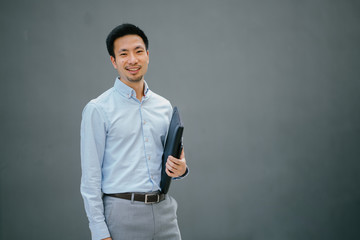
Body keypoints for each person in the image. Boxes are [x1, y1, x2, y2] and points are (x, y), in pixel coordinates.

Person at [80, 23, 188, 240]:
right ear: (113, 61)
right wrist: (99, 232)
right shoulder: (98, 109)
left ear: (147, 55)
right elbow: (90, 179)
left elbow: (168, 158)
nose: (132, 60)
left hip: (164, 212)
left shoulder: (164, 106)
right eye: (123, 54)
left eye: (138, 51)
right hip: (121, 215)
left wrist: (181, 169)